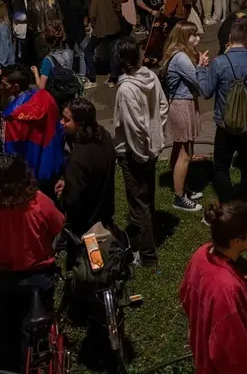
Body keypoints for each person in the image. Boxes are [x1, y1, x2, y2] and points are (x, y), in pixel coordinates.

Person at [0, 154, 65, 371]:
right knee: (40, 328)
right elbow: (58, 225)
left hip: (5, 281)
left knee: (8, 329)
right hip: (39, 276)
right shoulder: (40, 202)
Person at [179, 200, 247, 374]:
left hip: (201, 347)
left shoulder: (201, 254)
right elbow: (234, 354)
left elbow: (187, 295)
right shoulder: (227, 289)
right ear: (237, 241)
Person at [198, 18, 247, 203]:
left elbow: (206, 92)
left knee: (221, 166)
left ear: (230, 37)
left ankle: (227, 202)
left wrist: (201, 70)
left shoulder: (219, 63)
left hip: (225, 123)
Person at [112, 37, 167, 266]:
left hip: (135, 153)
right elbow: (162, 107)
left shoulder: (126, 89)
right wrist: (156, 135)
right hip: (150, 149)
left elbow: (134, 127)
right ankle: (148, 239)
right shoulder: (151, 77)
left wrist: (140, 153)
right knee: (147, 199)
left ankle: (147, 255)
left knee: (139, 203)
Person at [54, 98, 116, 237]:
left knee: (87, 258)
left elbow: (72, 200)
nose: (61, 123)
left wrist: (63, 195)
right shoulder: (104, 136)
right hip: (105, 212)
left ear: (80, 123)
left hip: (86, 225)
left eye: (66, 119)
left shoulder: (77, 158)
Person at [161, 22, 204, 213]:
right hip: (182, 105)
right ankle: (179, 197)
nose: (197, 38)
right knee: (185, 154)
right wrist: (202, 67)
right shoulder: (181, 58)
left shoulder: (179, 55)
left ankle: (181, 187)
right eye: (193, 35)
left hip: (182, 104)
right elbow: (199, 81)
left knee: (180, 148)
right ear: (184, 38)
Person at [0, 65, 63, 193]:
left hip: (28, 177)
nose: (1, 87)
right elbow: (59, 130)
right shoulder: (47, 98)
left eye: (4, 84)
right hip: (52, 166)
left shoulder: (12, 117)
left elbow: (12, 152)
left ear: (15, 87)